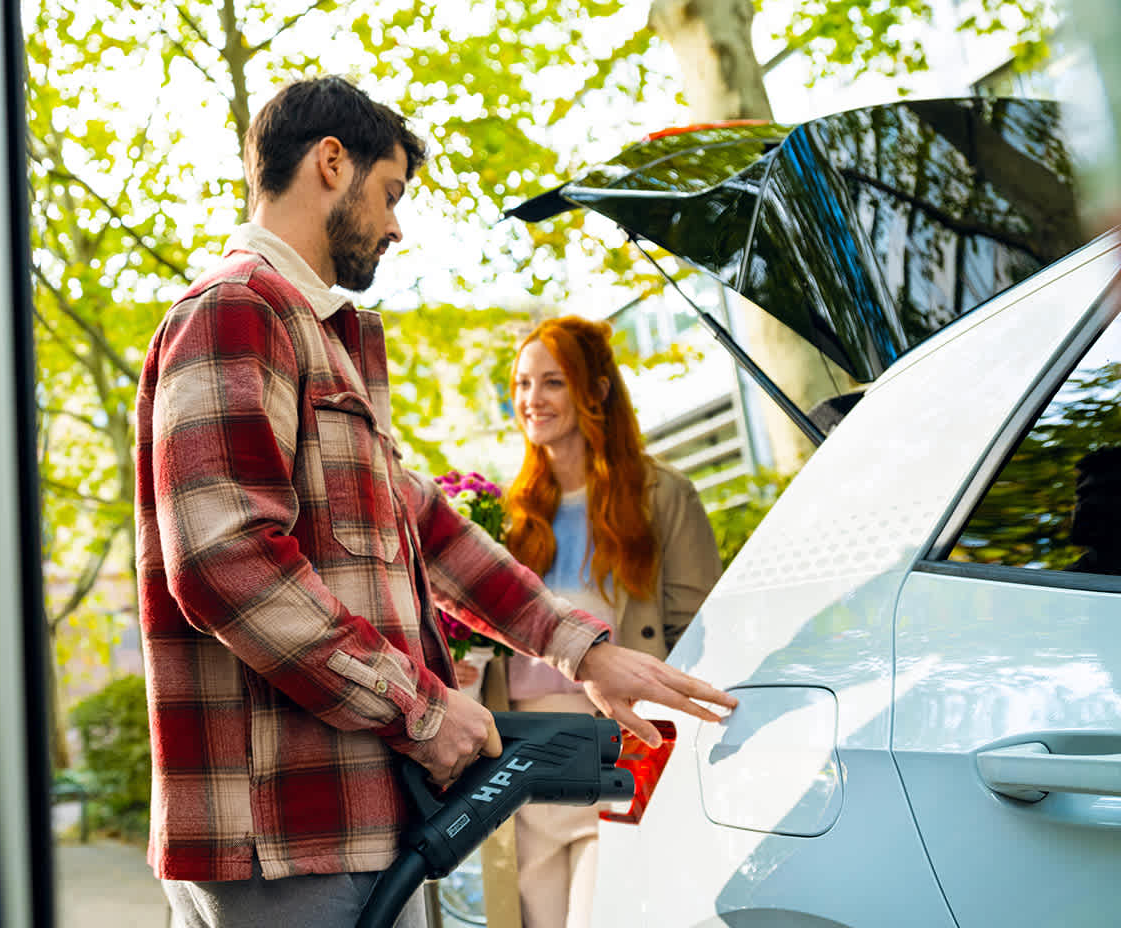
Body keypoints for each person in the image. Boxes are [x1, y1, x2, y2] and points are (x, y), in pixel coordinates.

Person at [134, 75, 737, 928]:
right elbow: (224, 563)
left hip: (350, 829)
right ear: (330, 164)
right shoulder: (237, 310)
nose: (395, 225)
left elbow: (424, 526)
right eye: (390, 193)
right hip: (284, 841)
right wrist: (419, 711)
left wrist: (583, 651)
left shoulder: (323, 341)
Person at [491, 315, 725, 928]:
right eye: (521, 384)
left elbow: (696, 634)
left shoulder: (662, 496)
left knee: (601, 915)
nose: (531, 400)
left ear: (595, 390)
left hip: (614, 751)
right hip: (521, 758)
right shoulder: (509, 518)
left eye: (552, 382)